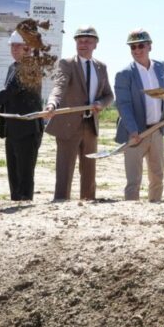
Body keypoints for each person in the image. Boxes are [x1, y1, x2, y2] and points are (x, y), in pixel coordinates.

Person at [43, 26, 114, 201]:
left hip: (90, 126)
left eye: (88, 41)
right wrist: (52, 103)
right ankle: (60, 202)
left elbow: (109, 95)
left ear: (95, 44)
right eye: (80, 41)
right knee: (65, 169)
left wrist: (101, 103)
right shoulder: (67, 64)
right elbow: (59, 86)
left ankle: (88, 202)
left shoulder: (101, 67)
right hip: (68, 126)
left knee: (89, 169)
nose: (83, 44)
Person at [0, 31, 44, 201]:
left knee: (24, 171)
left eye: (18, 45)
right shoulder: (13, 67)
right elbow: (12, 97)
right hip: (13, 127)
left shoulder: (30, 66)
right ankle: (16, 200)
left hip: (27, 127)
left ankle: (24, 203)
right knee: (13, 170)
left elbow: (9, 90)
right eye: (12, 45)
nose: (14, 48)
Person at [113, 29, 164, 202]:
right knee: (133, 180)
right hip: (136, 133)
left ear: (150, 46)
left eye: (140, 45)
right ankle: (132, 214)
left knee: (157, 175)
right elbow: (124, 105)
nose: (136, 50)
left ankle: (155, 208)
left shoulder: (160, 66)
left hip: (157, 130)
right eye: (132, 47)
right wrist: (133, 130)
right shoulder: (124, 74)